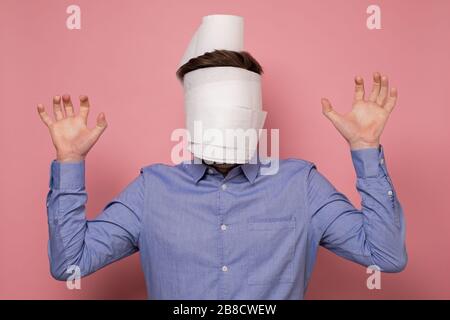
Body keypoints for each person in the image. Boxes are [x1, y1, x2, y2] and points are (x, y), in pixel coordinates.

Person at [37, 40, 407, 301]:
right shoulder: (153, 189)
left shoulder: (300, 185)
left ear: (255, 111)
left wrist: (365, 150)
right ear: (193, 113)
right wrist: (70, 161)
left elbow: (386, 256)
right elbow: (71, 262)